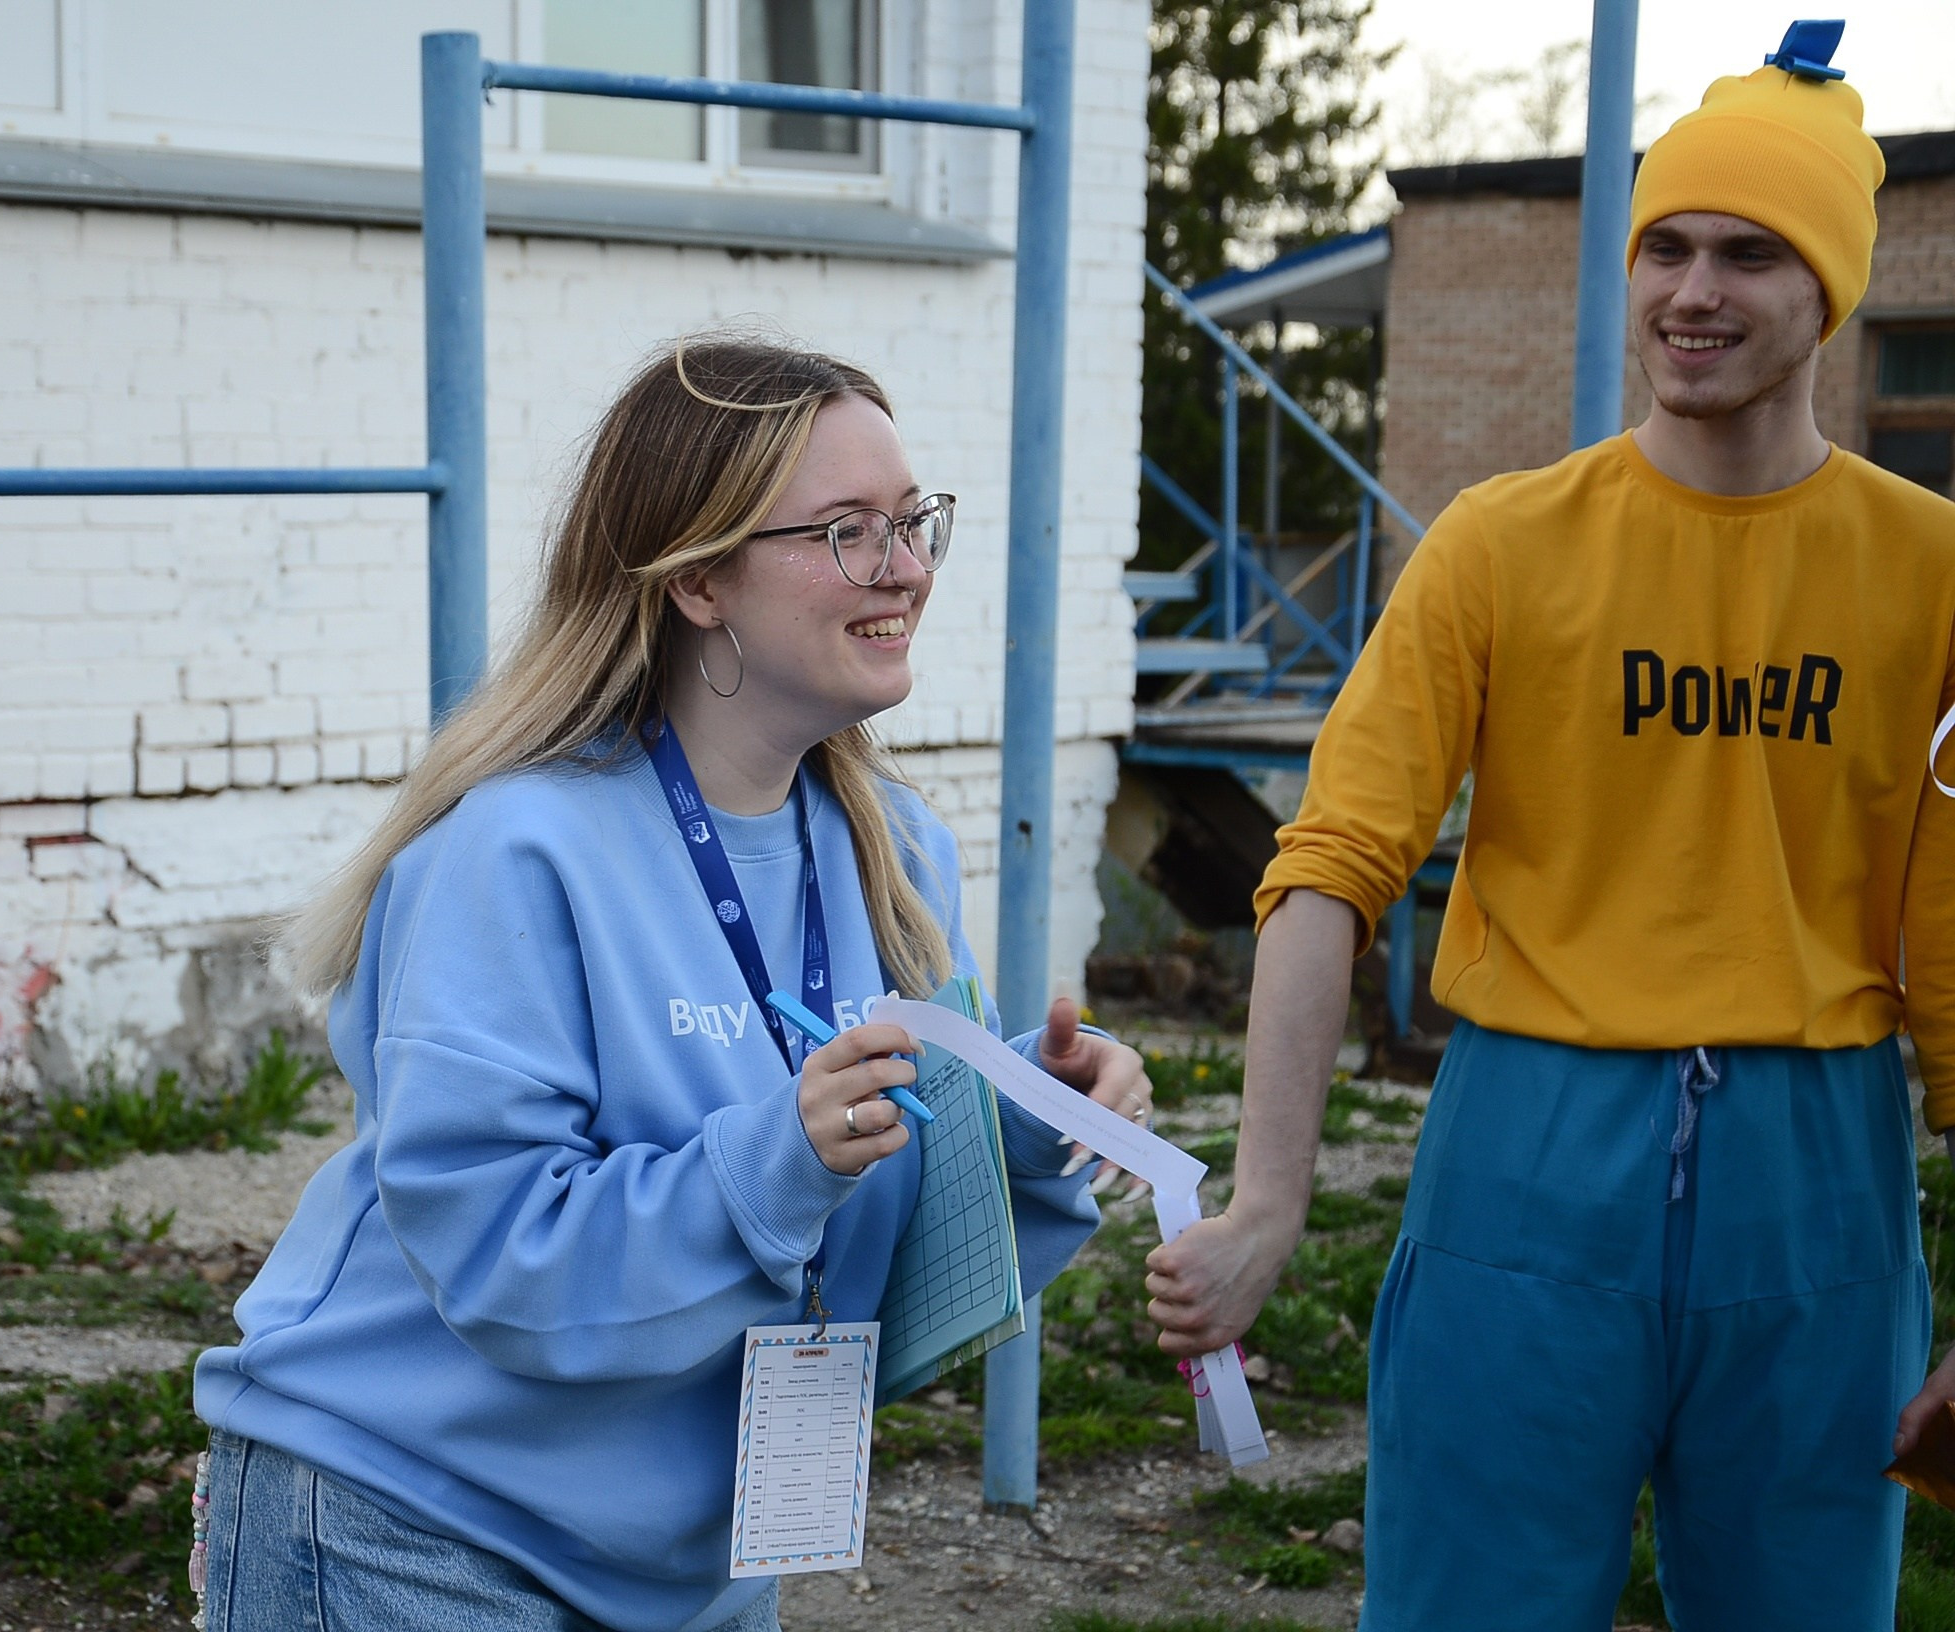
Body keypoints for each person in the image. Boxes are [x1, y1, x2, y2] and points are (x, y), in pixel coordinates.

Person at [1141, 29, 1955, 1630]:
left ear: (1831, 290)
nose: (1690, 291)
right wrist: (1266, 1203)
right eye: (1664, 245)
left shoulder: (1929, 571)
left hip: (1819, 1186)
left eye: (1748, 253)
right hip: (1526, 1156)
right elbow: (1331, 871)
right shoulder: (1502, 546)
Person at [190, 335, 1149, 1632]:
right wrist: (777, 1161)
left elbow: (877, 1265)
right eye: (849, 532)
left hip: (690, 1568)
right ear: (699, 577)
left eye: (914, 522)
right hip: (413, 1524)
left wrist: (1028, 1132)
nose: (908, 569)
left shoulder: (897, 855)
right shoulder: (513, 849)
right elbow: (500, 1256)